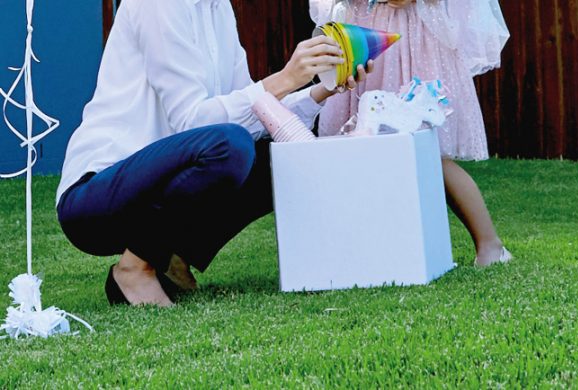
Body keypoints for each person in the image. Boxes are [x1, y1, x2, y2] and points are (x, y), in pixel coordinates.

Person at [56, 0, 368, 306]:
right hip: (95, 195)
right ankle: (135, 268)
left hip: (160, 182)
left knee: (278, 152)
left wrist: (322, 90)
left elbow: (254, 115)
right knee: (228, 147)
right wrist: (285, 79)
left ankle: (172, 259)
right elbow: (191, 121)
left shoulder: (218, 6)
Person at [309, 0, 513, 266]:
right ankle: (371, 247)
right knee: (359, 146)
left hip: (410, 42)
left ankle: (489, 244)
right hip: (364, 35)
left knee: (424, 146)